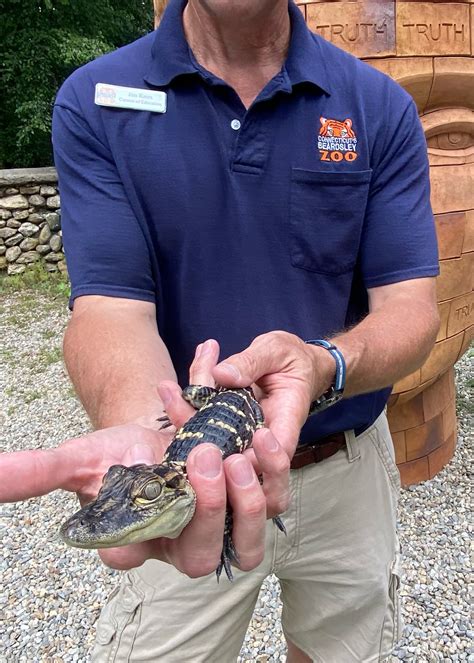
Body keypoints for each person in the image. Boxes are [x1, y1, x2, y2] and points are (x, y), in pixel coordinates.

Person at [0, 0, 441, 660]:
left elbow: (413, 309)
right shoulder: (95, 100)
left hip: (344, 465)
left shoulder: (378, 106)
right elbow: (109, 309)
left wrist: (324, 363)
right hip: (182, 476)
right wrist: (158, 450)